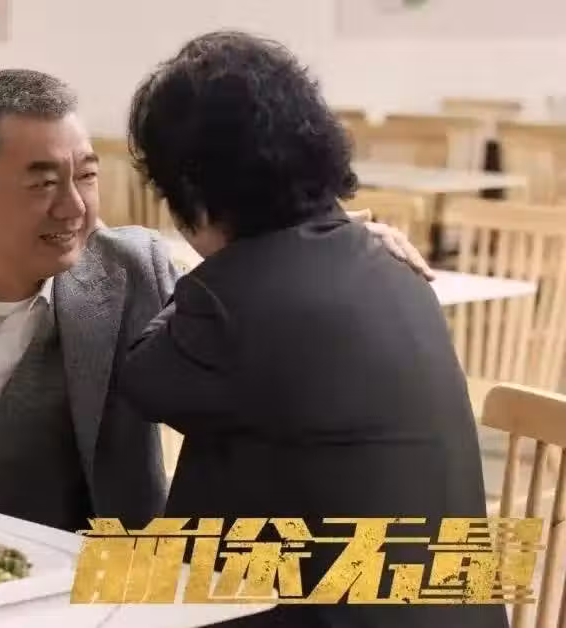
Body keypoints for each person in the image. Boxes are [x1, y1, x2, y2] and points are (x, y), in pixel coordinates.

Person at [0, 69, 428, 535]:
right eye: (41, 183)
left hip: (69, 581)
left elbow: (253, 283)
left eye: (86, 175)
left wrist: (331, 240)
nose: (75, 208)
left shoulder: (133, 269)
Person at [117, 31, 507, 628]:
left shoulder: (231, 296)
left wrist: (211, 271)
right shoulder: (394, 266)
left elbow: (143, 378)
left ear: (191, 187)